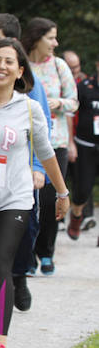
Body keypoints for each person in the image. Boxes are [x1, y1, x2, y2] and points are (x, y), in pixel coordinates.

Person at [0, 39, 69, 348]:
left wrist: (63, 192)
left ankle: (1, 343)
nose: (2, 67)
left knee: (1, 266)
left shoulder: (29, 108)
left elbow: (45, 153)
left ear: (20, 70)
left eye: (9, 62)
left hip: (16, 199)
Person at [0, 13, 51, 312]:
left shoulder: (29, 84)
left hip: (17, 178)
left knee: (20, 235)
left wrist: (39, 169)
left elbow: (43, 131)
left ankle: (19, 275)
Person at [21, 18, 78, 276]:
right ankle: (28, 255)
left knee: (49, 197)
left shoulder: (59, 65)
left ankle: (46, 253)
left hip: (56, 143)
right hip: (26, 143)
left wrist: (57, 103)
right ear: (36, 38)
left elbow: (74, 102)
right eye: (51, 38)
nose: (55, 43)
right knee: (31, 201)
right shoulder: (21, 64)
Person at [65, 53, 99, 243]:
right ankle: (76, 215)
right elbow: (70, 113)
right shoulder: (84, 87)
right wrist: (71, 143)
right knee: (82, 191)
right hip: (85, 146)